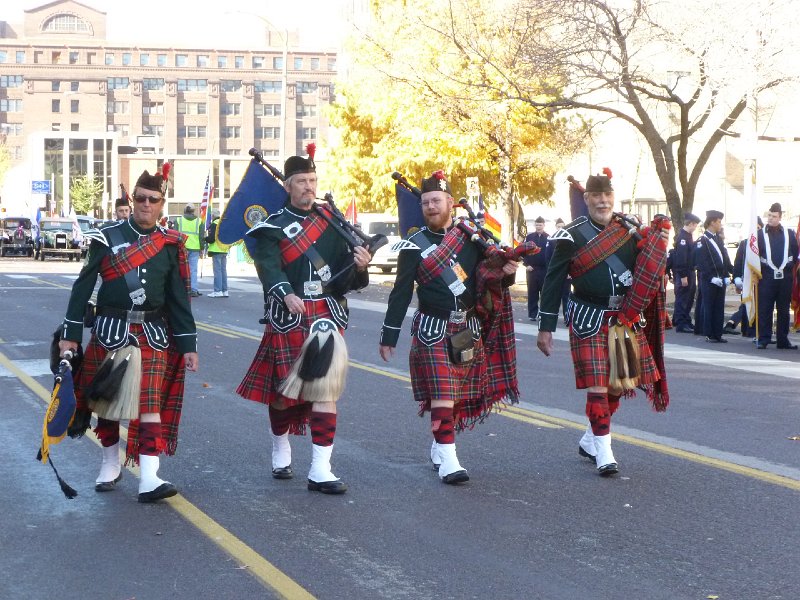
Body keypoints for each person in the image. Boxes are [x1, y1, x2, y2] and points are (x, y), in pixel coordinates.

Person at [58, 168, 198, 502]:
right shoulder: (108, 237)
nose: (145, 205)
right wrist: (71, 333)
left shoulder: (169, 244)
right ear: (132, 200)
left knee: (150, 405)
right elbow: (83, 286)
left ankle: (150, 477)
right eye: (140, 198)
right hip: (110, 330)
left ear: (162, 204)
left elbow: (178, 298)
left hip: (152, 332)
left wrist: (188, 343)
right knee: (105, 402)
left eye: (153, 200)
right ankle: (110, 462)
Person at [237, 151, 371, 495]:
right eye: (301, 182)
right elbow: (268, 267)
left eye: (312, 181)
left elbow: (345, 279)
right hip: (290, 316)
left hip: (327, 315)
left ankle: (320, 469)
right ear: (288, 186)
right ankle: (280, 445)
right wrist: (284, 292)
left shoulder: (331, 221)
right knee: (283, 395)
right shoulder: (271, 228)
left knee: (325, 392)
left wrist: (359, 266)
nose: (309, 187)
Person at [379, 170, 522, 485]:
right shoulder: (413, 244)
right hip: (432, 326)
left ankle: (439, 447)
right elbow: (401, 291)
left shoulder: (471, 238)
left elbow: (488, 277)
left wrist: (508, 271)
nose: (431, 206)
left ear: (449, 204)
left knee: (455, 396)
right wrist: (389, 334)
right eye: (426, 202)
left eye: (437, 201)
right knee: (443, 393)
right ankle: (449, 459)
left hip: (466, 328)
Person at [536, 171, 669, 476]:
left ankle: (590, 439)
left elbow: (648, 268)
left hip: (623, 318)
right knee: (597, 385)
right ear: (586, 199)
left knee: (617, 385)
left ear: (613, 196)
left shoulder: (630, 230)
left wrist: (658, 245)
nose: (602, 201)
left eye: (607, 195)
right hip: (588, 317)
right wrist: (546, 326)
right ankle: (605, 450)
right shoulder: (571, 234)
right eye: (596, 196)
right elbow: (554, 280)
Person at [756, 203, 799, 350]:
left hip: (785, 278)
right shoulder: (760, 234)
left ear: (780, 217)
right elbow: (755, 255)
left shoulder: (789, 233)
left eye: (774, 216)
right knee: (765, 309)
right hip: (766, 277)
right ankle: (764, 339)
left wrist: (790, 263)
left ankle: (782, 340)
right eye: (769, 215)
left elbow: (795, 251)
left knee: (783, 310)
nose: (771, 219)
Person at [694, 210, 733, 343]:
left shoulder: (717, 238)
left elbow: (724, 258)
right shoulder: (702, 240)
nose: (720, 224)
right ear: (712, 222)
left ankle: (717, 333)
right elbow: (702, 262)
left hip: (720, 278)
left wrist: (726, 274)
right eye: (718, 222)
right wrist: (711, 277)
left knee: (719, 307)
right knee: (709, 306)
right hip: (709, 279)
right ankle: (709, 333)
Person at [726, 217, 762, 338]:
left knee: (759, 306)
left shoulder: (764, 243)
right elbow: (738, 262)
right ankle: (747, 330)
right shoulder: (744, 243)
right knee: (747, 304)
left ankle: (755, 330)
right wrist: (736, 279)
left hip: (761, 280)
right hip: (746, 280)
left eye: (758, 228)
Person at [671, 212, 701, 333]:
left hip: (689, 271)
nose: (695, 228)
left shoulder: (687, 236)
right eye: (695, 225)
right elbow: (681, 258)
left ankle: (685, 320)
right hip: (685, 272)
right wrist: (683, 275)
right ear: (691, 224)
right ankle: (681, 323)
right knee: (683, 298)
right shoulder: (683, 238)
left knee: (688, 299)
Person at [523, 216, 549, 321]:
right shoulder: (529, 238)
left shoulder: (549, 237)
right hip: (531, 269)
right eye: (537, 225)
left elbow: (551, 254)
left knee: (544, 293)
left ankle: (543, 313)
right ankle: (532, 314)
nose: (539, 226)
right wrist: (526, 264)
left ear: (544, 225)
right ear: (535, 225)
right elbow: (523, 252)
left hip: (544, 270)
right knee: (532, 292)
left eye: (540, 225)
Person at [175, 203, 202, 296]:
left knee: (181, 268)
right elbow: (201, 236)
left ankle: (182, 289)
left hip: (182, 247)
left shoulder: (178, 220)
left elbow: (174, 235)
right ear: (193, 211)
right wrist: (202, 248)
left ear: (185, 210)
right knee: (193, 270)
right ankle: (193, 290)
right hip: (195, 248)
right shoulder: (199, 221)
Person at [205, 209, 229, 298]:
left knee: (217, 271)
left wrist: (205, 239)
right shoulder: (224, 224)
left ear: (213, 216)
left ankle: (217, 290)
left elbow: (211, 239)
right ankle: (225, 290)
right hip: (224, 249)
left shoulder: (214, 224)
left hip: (216, 249)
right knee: (223, 271)